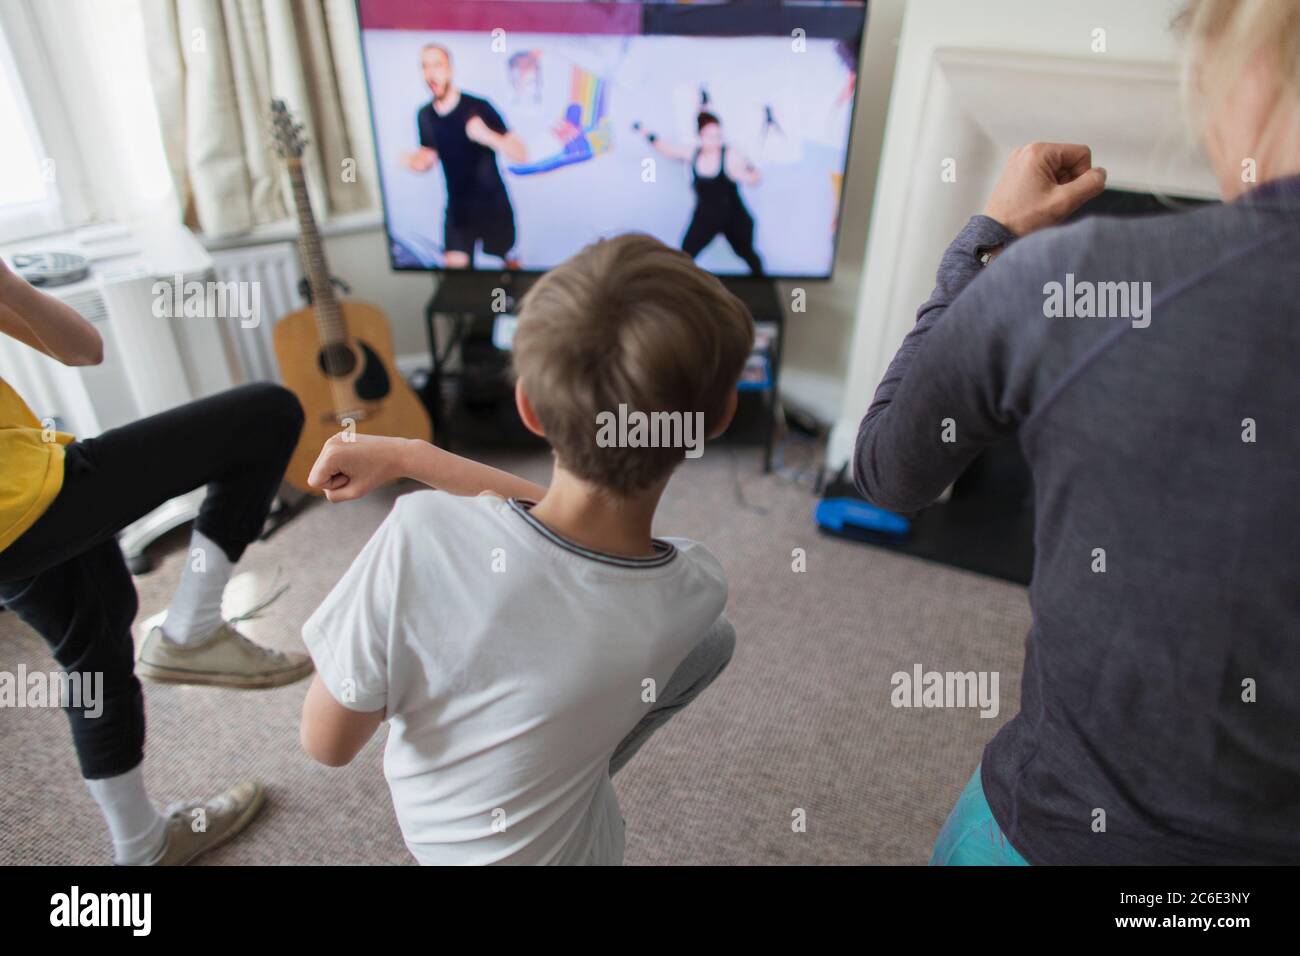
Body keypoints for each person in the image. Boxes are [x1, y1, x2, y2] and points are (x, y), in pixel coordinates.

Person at [855, 0, 1300, 865]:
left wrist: (985, 250)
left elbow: (887, 472)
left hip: (1055, 834)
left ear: (1248, 65)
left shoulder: (1073, 279)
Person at [297, 233, 753, 864]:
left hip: (451, 849)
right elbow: (581, 539)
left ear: (528, 409)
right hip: (586, 852)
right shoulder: (699, 584)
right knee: (715, 641)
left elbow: (328, 745)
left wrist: (382, 626)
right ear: (721, 416)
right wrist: (413, 456)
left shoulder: (419, 536)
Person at [0, 258, 311, 865]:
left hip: (37, 480)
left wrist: (9, 286)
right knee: (267, 413)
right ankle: (191, 629)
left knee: (97, 648)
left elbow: (83, 349)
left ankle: (142, 846)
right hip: (26, 504)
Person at [402, 43, 527, 269]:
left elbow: (521, 153)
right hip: (458, 212)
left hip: (493, 207)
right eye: (424, 66)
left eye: (437, 65)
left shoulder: (479, 106)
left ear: (450, 69)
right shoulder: (425, 115)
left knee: (513, 276)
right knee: (457, 281)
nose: (431, 73)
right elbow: (428, 155)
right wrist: (414, 161)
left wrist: (487, 135)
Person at [641, 111, 765, 275]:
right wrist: (647, 133)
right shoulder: (693, 153)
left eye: (718, 136)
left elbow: (755, 177)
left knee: (747, 254)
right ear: (700, 136)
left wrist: (746, 174)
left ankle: (766, 287)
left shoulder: (730, 155)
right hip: (705, 218)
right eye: (711, 136)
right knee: (685, 255)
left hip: (734, 218)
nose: (716, 141)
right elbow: (666, 149)